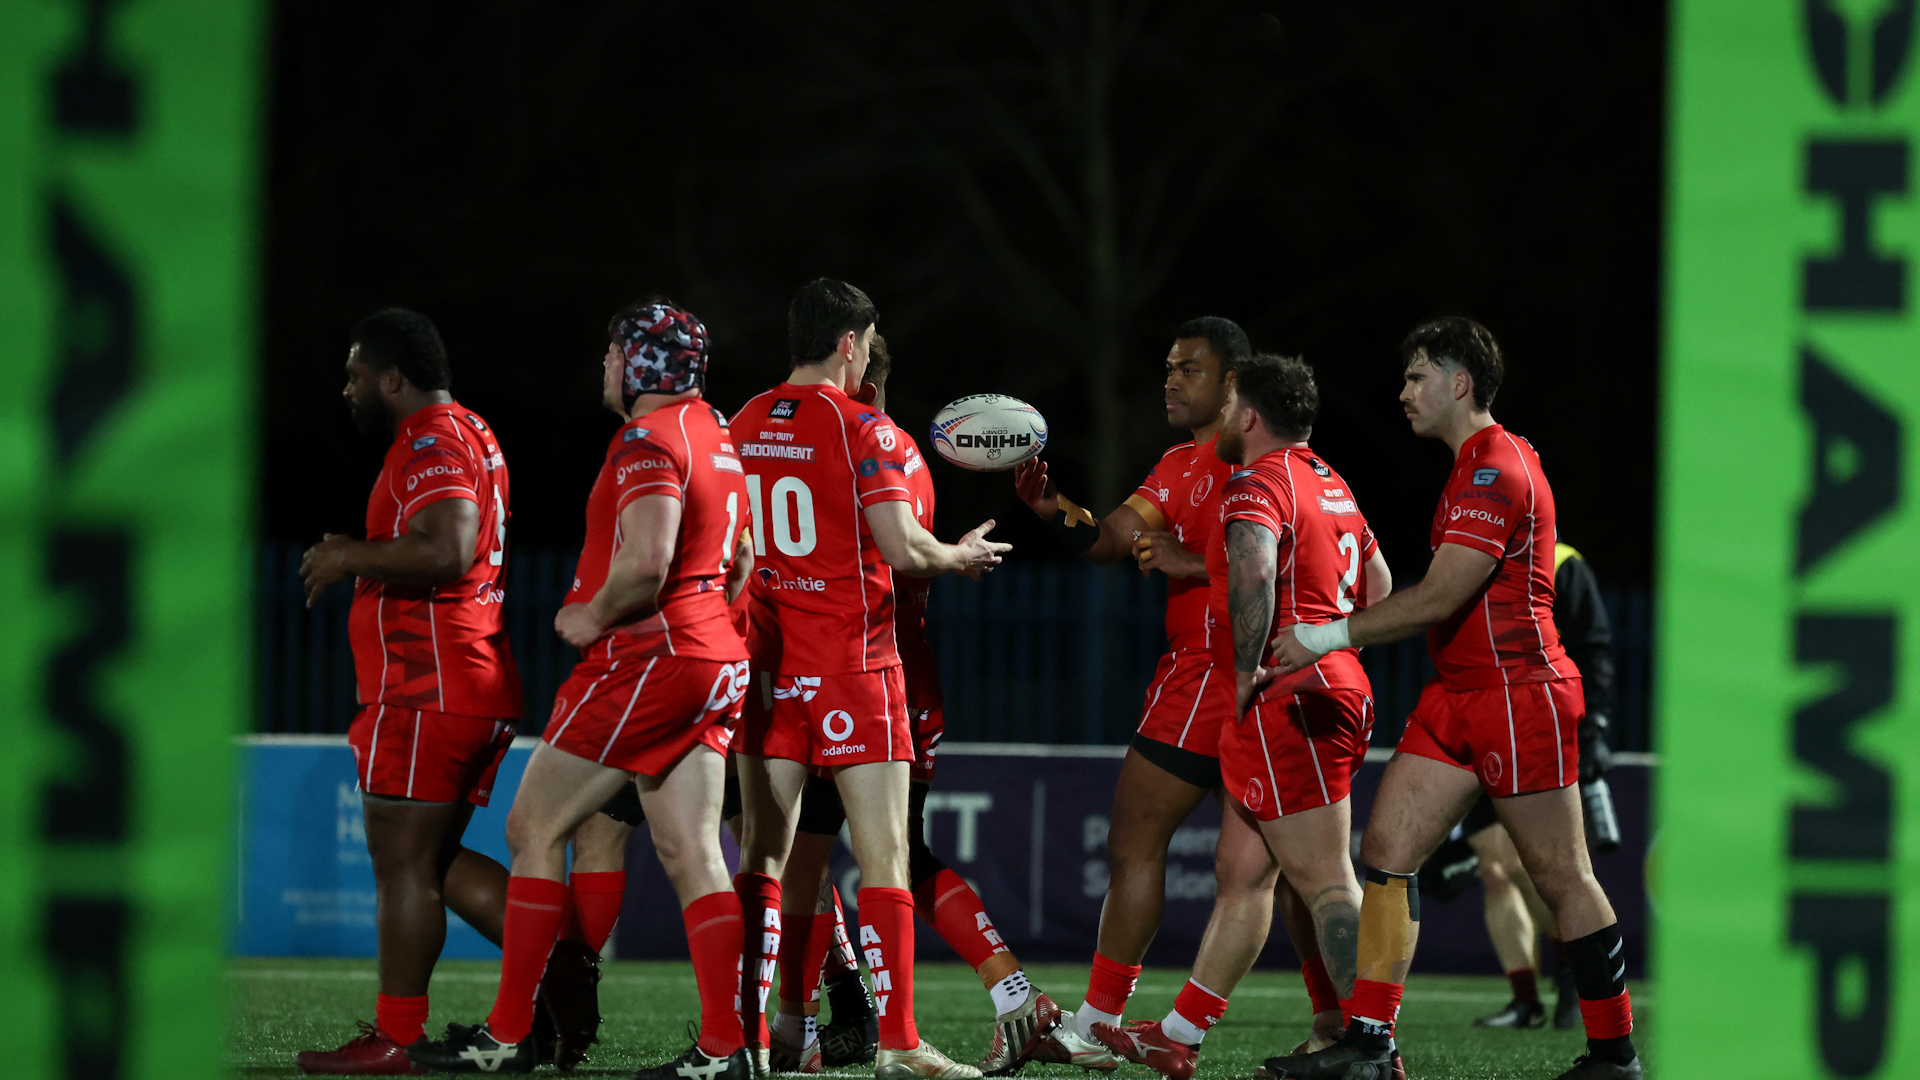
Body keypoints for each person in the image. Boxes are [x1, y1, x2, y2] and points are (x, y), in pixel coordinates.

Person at [1264, 318, 1641, 1080]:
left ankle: (1615, 1055)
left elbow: (1440, 597)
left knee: (1563, 877)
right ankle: (1370, 1044)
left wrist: (1325, 636)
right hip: (1463, 696)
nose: (1402, 392)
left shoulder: (1492, 468)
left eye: (1415, 376)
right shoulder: (1480, 462)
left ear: (1459, 383)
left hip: (1515, 695)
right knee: (1386, 854)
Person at [409, 300, 758, 1077]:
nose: (604, 364)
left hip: (648, 659)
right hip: (711, 654)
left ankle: (508, 1038)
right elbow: (741, 556)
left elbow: (646, 561)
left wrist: (589, 611)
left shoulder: (645, 439)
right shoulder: (717, 433)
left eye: (614, 352)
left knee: (534, 827)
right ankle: (725, 1048)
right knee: (692, 851)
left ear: (644, 365)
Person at [1014, 321, 1345, 1068]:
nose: (1170, 380)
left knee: (1137, 841)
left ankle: (1097, 1022)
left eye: (1188, 369)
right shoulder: (1183, 463)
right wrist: (1053, 508)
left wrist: (1190, 562)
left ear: (1234, 385)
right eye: (1167, 367)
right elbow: (1109, 540)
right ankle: (1336, 1025)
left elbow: (1266, 563)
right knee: (1274, 871)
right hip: (1256, 679)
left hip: (1213, 672)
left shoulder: (1250, 460)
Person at [1087, 354, 1396, 1080]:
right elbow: (1378, 586)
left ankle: (1373, 1047)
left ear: (1249, 416)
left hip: (1290, 696)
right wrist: (1334, 645)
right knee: (1243, 870)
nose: (1219, 420)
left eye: (1228, 408)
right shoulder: (1331, 481)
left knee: (1324, 882)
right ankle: (1179, 1033)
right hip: (1333, 685)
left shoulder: (1258, 483)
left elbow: (1254, 571)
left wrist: (1253, 666)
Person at [731, 278, 1007, 1080]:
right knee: (885, 858)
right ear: (851, 343)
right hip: (853, 665)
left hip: (769, 669)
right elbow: (904, 548)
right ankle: (899, 1044)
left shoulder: (743, 422)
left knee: (764, 859)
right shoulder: (865, 429)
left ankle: (752, 1038)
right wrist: (961, 555)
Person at [764, 335, 1061, 1077]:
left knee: (868, 852)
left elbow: (886, 565)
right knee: (830, 855)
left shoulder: (869, 451)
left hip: (869, 677)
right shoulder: (892, 456)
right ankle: (806, 1028)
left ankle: (998, 996)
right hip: (876, 677)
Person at [295, 309, 531, 1075]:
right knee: (431, 862)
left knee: (403, 866)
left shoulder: (428, 439)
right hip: (462, 680)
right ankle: (561, 983)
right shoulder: (472, 429)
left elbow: (446, 547)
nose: (348, 388)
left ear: (393, 377)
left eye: (357, 373)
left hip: (427, 687)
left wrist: (344, 557)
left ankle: (395, 1038)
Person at [1461, 543, 1618, 1031]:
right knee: (1494, 869)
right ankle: (1524, 999)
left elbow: (1593, 645)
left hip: (1539, 723)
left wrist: (1594, 725)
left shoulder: (1563, 559)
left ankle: (1572, 968)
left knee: (1535, 869)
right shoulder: (1470, 549)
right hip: (1483, 717)